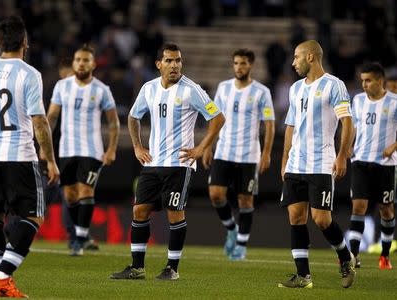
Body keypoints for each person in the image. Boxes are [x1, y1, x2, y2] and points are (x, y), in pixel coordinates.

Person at [110, 43, 225, 280]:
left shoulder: (192, 90)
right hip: (152, 163)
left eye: (178, 61)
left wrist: (200, 149)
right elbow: (133, 116)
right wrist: (137, 146)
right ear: (159, 64)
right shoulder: (149, 88)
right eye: (170, 61)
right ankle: (137, 267)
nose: (175, 65)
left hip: (179, 164)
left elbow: (218, 118)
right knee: (139, 211)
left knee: (174, 212)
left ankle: (172, 268)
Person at [0, 16, 59, 298]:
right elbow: (40, 121)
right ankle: (1, 277)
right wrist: (50, 158)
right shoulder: (29, 74)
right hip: (19, 154)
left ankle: (0, 283)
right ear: (25, 42)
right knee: (34, 215)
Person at [279, 40, 356, 289]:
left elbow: (347, 123)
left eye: (296, 57)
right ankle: (303, 275)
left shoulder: (334, 85)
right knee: (296, 216)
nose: (293, 62)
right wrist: (284, 160)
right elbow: (290, 126)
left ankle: (345, 256)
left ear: (310, 57)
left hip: (321, 162)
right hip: (295, 164)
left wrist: (342, 155)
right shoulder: (295, 89)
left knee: (322, 219)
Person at [46, 44, 120, 256]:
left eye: (86, 60)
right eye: (78, 59)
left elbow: (113, 122)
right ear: (74, 62)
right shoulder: (62, 86)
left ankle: (79, 238)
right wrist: (45, 147)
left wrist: (111, 149)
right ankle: (81, 234)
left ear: (93, 64)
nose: (81, 63)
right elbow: (51, 118)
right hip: (66, 149)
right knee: (69, 196)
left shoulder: (102, 90)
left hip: (92, 149)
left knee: (86, 191)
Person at [202, 49, 275, 260]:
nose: (239, 67)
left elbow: (269, 125)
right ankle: (231, 229)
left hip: (248, 155)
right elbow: (214, 118)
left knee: (245, 201)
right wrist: (207, 146)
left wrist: (267, 153)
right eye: (235, 63)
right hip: (224, 151)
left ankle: (241, 246)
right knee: (215, 195)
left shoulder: (261, 92)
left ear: (250, 65)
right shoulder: (223, 88)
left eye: (243, 63)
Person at [348, 62, 396, 270]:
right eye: (362, 81)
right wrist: (347, 147)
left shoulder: (394, 102)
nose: (364, 85)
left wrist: (393, 146)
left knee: (386, 210)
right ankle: (353, 255)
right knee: (358, 207)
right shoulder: (358, 100)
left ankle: (385, 255)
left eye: (368, 80)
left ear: (379, 81)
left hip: (385, 165)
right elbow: (352, 127)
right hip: (360, 161)